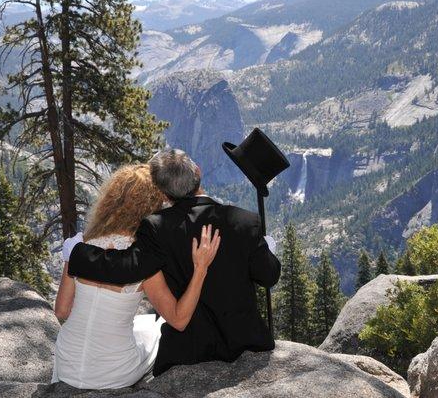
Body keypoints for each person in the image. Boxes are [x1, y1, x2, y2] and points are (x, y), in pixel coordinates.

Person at [65, 149, 281, 377]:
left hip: (187, 351)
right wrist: (266, 249)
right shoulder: (244, 221)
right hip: (243, 344)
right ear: (198, 172)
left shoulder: (157, 227)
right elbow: (269, 276)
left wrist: (76, 252)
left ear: (164, 193)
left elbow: (126, 268)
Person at [52, 164, 220, 389]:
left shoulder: (79, 247)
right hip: (112, 373)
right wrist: (200, 269)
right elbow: (179, 320)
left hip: (66, 365)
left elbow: (62, 311)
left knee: (141, 323)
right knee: (156, 331)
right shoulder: (141, 260)